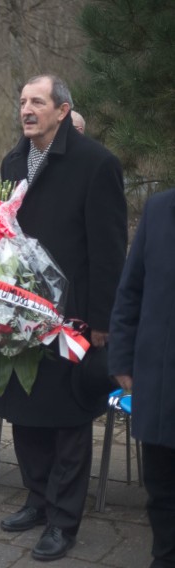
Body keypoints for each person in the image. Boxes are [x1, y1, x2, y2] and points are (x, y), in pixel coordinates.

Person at [0, 74, 127, 562]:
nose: (26, 109)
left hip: (72, 320)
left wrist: (101, 320)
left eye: (38, 102)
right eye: (22, 100)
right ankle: (37, 498)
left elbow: (110, 250)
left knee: (67, 419)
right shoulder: (11, 162)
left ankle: (63, 521)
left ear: (62, 110)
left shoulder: (96, 164)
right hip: (17, 314)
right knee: (24, 410)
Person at [109, 188, 175, 568]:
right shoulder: (159, 209)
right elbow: (130, 290)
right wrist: (121, 357)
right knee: (162, 488)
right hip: (161, 377)